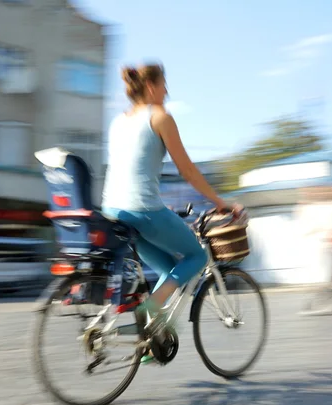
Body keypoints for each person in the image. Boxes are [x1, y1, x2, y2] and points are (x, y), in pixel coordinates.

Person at [101, 63, 242, 362]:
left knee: (168, 271)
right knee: (197, 257)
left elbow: (132, 168)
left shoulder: (118, 122)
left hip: (114, 211)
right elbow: (187, 170)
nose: (167, 91)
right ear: (151, 86)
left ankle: (152, 342)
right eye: (164, 84)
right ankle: (149, 311)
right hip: (142, 210)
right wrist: (220, 201)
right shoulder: (161, 117)